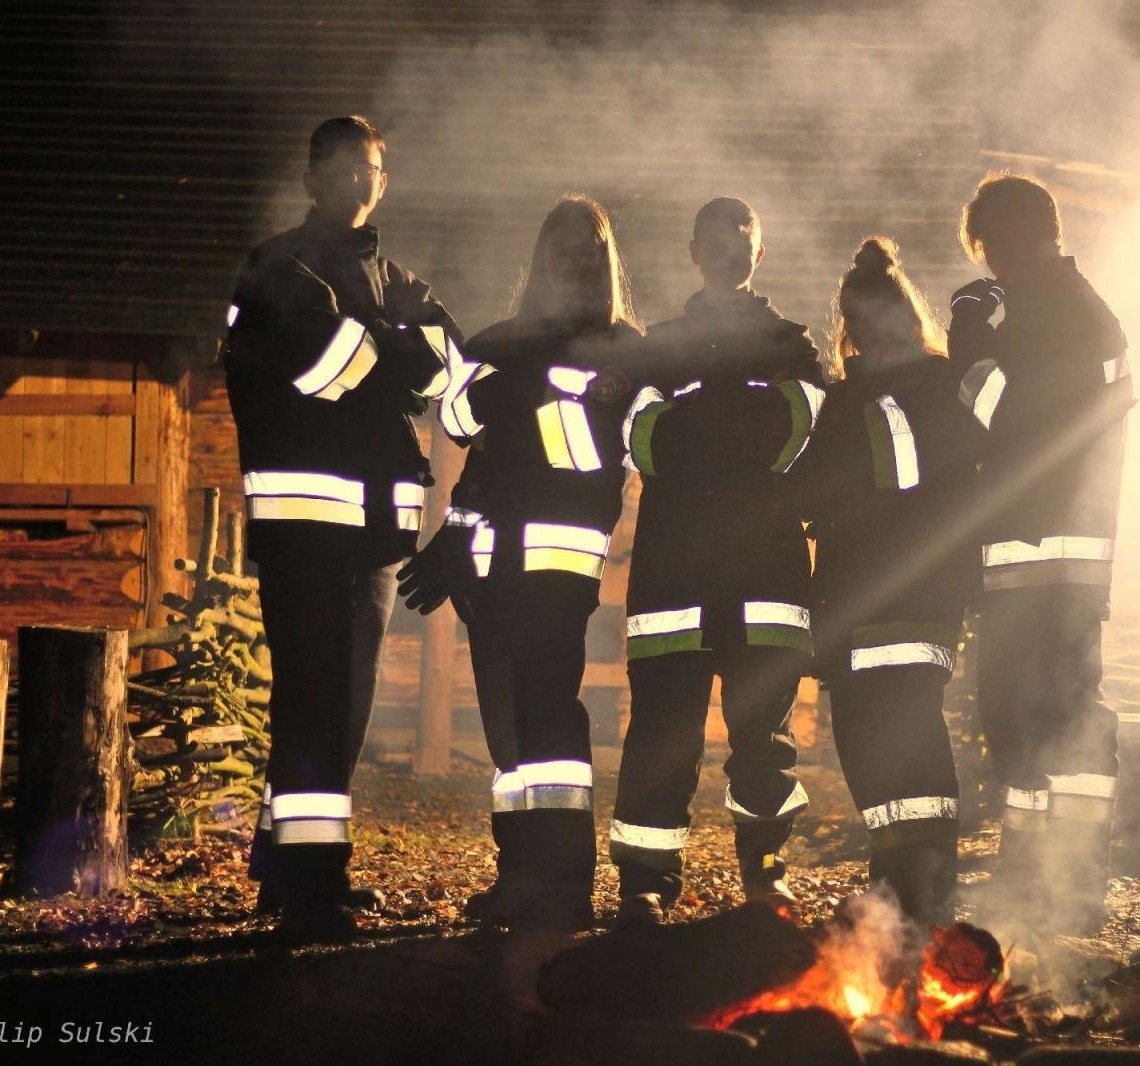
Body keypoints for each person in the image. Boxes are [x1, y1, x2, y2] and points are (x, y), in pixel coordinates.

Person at [224, 115, 463, 938]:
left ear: (383, 183)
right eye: (345, 167)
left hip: (374, 536)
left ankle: (288, 869)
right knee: (317, 703)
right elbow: (328, 366)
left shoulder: (393, 277)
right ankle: (310, 886)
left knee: (339, 707)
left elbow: (452, 365)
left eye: (372, 169)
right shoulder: (277, 267)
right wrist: (396, 352)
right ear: (312, 178)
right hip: (307, 533)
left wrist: (386, 350)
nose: (361, 181)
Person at [398, 195, 642, 932]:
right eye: (561, 244)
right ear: (540, 255)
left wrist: (525, 391)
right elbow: (461, 430)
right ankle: (519, 877)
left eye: (587, 246)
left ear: (604, 261)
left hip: (559, 568)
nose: (573, 258)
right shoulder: (500, 344)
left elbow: (586, 457)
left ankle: (564, 885)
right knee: (507, 728)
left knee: (550, 720)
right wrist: (454, 534)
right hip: (487, 565)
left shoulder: (624, 351)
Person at [610, 197, 824, 925]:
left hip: (763, 575)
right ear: (694, 251)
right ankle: (644, 883)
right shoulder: (657, 347)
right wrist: (739, 432)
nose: (730, 246)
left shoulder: (795, 346)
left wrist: (694, 426)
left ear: (759, 253)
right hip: (676, 575)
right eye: (715, 236)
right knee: (661, 734)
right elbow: (641, 439)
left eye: (743, 236)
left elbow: (796, 434)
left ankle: (766, 874)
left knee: (764, 739)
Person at [947, 174, 1133, 934]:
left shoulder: (1053, 315)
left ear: (1019, 236)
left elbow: (1004, 413)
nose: (991, 262)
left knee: (1037, 714)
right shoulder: (1081, 311)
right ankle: (1048, 877)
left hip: (1035, 554)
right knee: (1043, 712)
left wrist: (969, 340)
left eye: (993, 246)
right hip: (1063, 557)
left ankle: (1056, 880)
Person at [797, 238, 983, 928]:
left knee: (893, 739)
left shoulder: (885, 395)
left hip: (893, 596)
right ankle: (906, 888)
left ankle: (920, 891)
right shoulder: (923, 386)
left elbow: (857, 484)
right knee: (886, 741)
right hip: (896, 598)